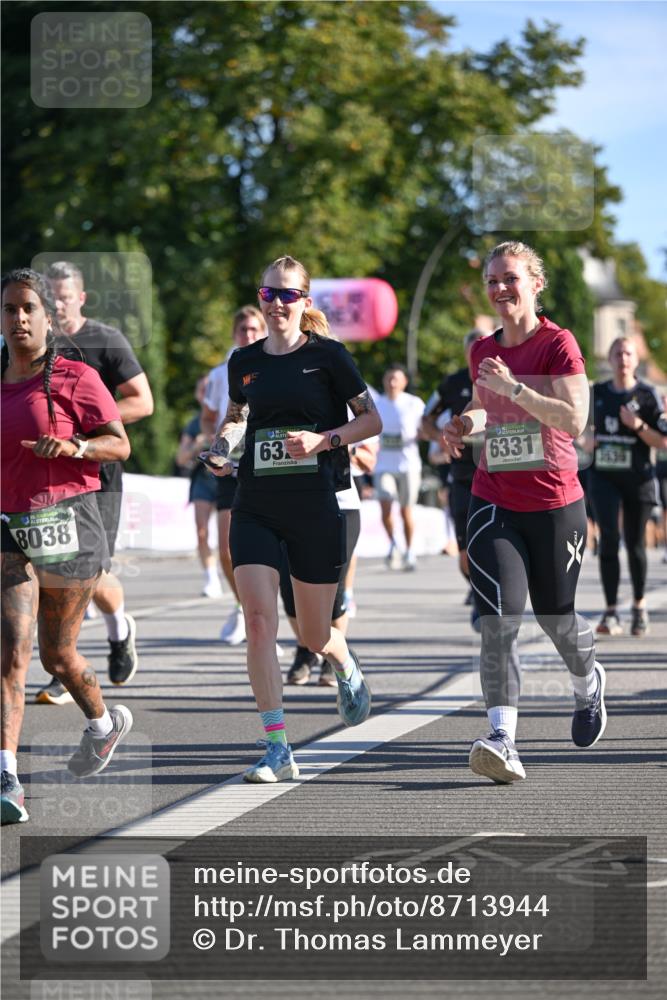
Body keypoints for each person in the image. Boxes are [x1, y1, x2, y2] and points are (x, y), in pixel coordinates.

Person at [200, 255, 382, 783]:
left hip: (315, 505)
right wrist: (222, 447)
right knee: (259, 621)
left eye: (288, 295)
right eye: (268, 294)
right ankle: (276, 746)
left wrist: (324, 441)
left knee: (313, 634)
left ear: (305, 302)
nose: (277, 304)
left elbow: (371, 419)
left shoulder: (329, 357)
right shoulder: (243, 361)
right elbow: (237, 417)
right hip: (255, 502)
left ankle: (343, 660)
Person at [442, 240, 607, 784]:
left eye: (509, 278)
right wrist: (466, 424)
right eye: (492, 280)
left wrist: (515, 388)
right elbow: (486, 410)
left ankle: (587, 685)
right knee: (499, 620)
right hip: (495, 499)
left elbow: (573, 419)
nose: (499, 289)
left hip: (556, 502)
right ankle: (502, 739)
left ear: (535, 284)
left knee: (556, 618)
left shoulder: (558, 344)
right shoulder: (483, 350)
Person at [1, 268, 134, 824]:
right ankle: (7, 778)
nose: (19, 318)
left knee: (57, 654)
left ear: (47, 318)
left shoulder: (75, 376)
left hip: (69, 524)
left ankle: (103, 725)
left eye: (28, 308)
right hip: (9, 526)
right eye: (9, 309)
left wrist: (75, 446)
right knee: (12, 649)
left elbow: (119, 445)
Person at [34, 260, 153, 704]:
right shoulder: (29, 346)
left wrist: (84, 427)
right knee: (53, 570)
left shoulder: (104, 340)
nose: (58, 306)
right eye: (52, 299)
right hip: (44, 477)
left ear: (80, 298)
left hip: (97, 473)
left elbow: (143, 401)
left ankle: (109, 633)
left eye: (65, 297)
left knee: (91, 569)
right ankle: (69, 658)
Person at [589, 337, 667, 637]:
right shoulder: (597, 394)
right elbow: (577, 433)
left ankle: (638, 605)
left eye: (628, 353)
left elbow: (662, 442)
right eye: (617, 353)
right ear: (609, 358)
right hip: (604, 476)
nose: (622, 358)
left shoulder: (649, 395)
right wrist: (587, 441)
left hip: (638, 477)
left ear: (636, 360)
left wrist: (637, 426)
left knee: (635, 544)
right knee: (608, 537)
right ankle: (610, 611)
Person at [200, 306, 267, 644]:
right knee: (227, 548)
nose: (250, 335)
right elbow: (209, 415)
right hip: (228, 465)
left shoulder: (275, 364)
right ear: (234, 334)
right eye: (244, 330)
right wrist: (214, 443)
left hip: (268, 463)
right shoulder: (220, 373)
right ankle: (244, 608)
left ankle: (268, 615)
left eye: (256, 329)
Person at [422, 329, 487, 627]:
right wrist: (442, 439)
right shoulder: (452, 383)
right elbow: (426, 419)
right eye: (473, 347)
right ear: (465, 352)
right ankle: (476, 590)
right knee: (464, 549)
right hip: (462, 475)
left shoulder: (503, 379)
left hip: (499, 474)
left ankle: (492, 596)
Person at [374, 363, 425, 571]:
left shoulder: (414, 404)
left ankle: (410, 551)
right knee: (385, 505)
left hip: (408, 465)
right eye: (389, 379)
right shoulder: (376, 403)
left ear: (404, 382)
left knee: (406, 511)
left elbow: (426, 428)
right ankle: (393, 544)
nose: (392, 383)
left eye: (396, 379)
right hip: (383, 464)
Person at [175, 375, 222, 598]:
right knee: (201, 532)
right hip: (203, 481)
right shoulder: (195, 423)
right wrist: (197, 445)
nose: (204, 395)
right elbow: (181, 458)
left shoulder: (230, 412)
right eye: (201, 390)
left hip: (228, 479)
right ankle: (211, 578)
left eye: (208, 390)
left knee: (231, 537)